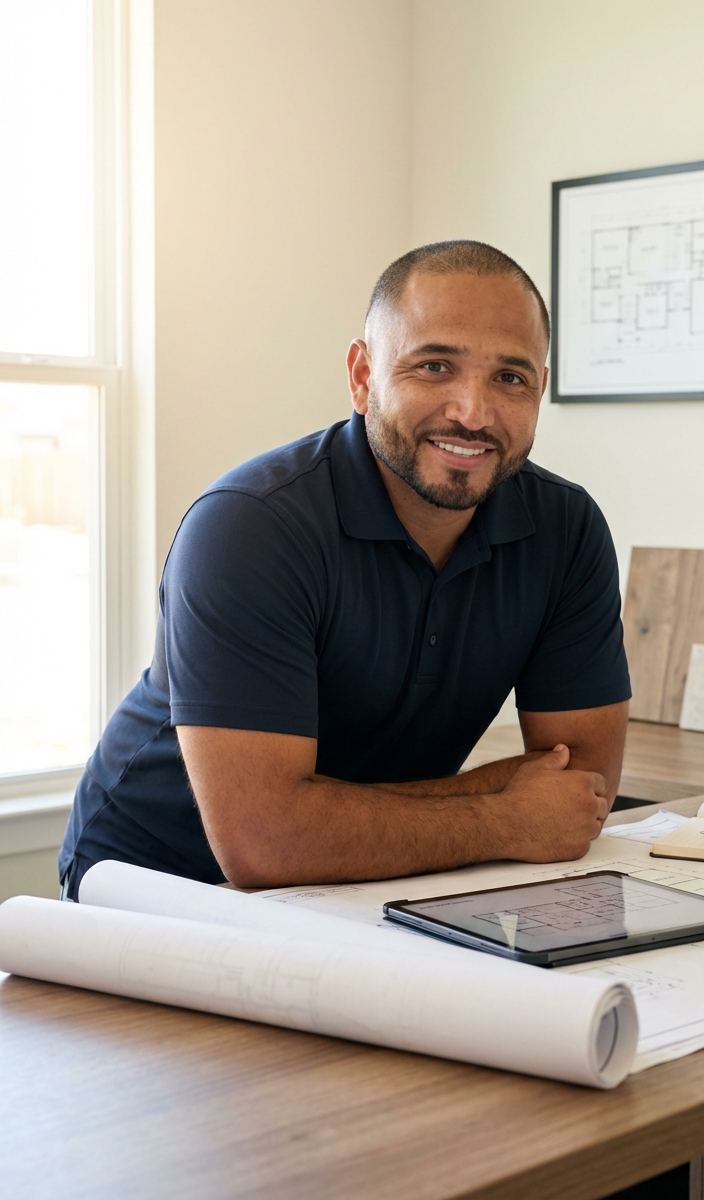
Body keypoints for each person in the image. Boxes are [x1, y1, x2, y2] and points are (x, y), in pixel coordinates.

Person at [59, 240, 631, 900]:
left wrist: (329, 819)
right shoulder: (250, 526)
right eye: (435, 365)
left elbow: (580, 786)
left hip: (367, 883)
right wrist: (501, 814)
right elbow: (264, 842)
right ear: (362, 376)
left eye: (510, 377)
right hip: (160, 882)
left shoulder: (567, 528)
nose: (472, 412)